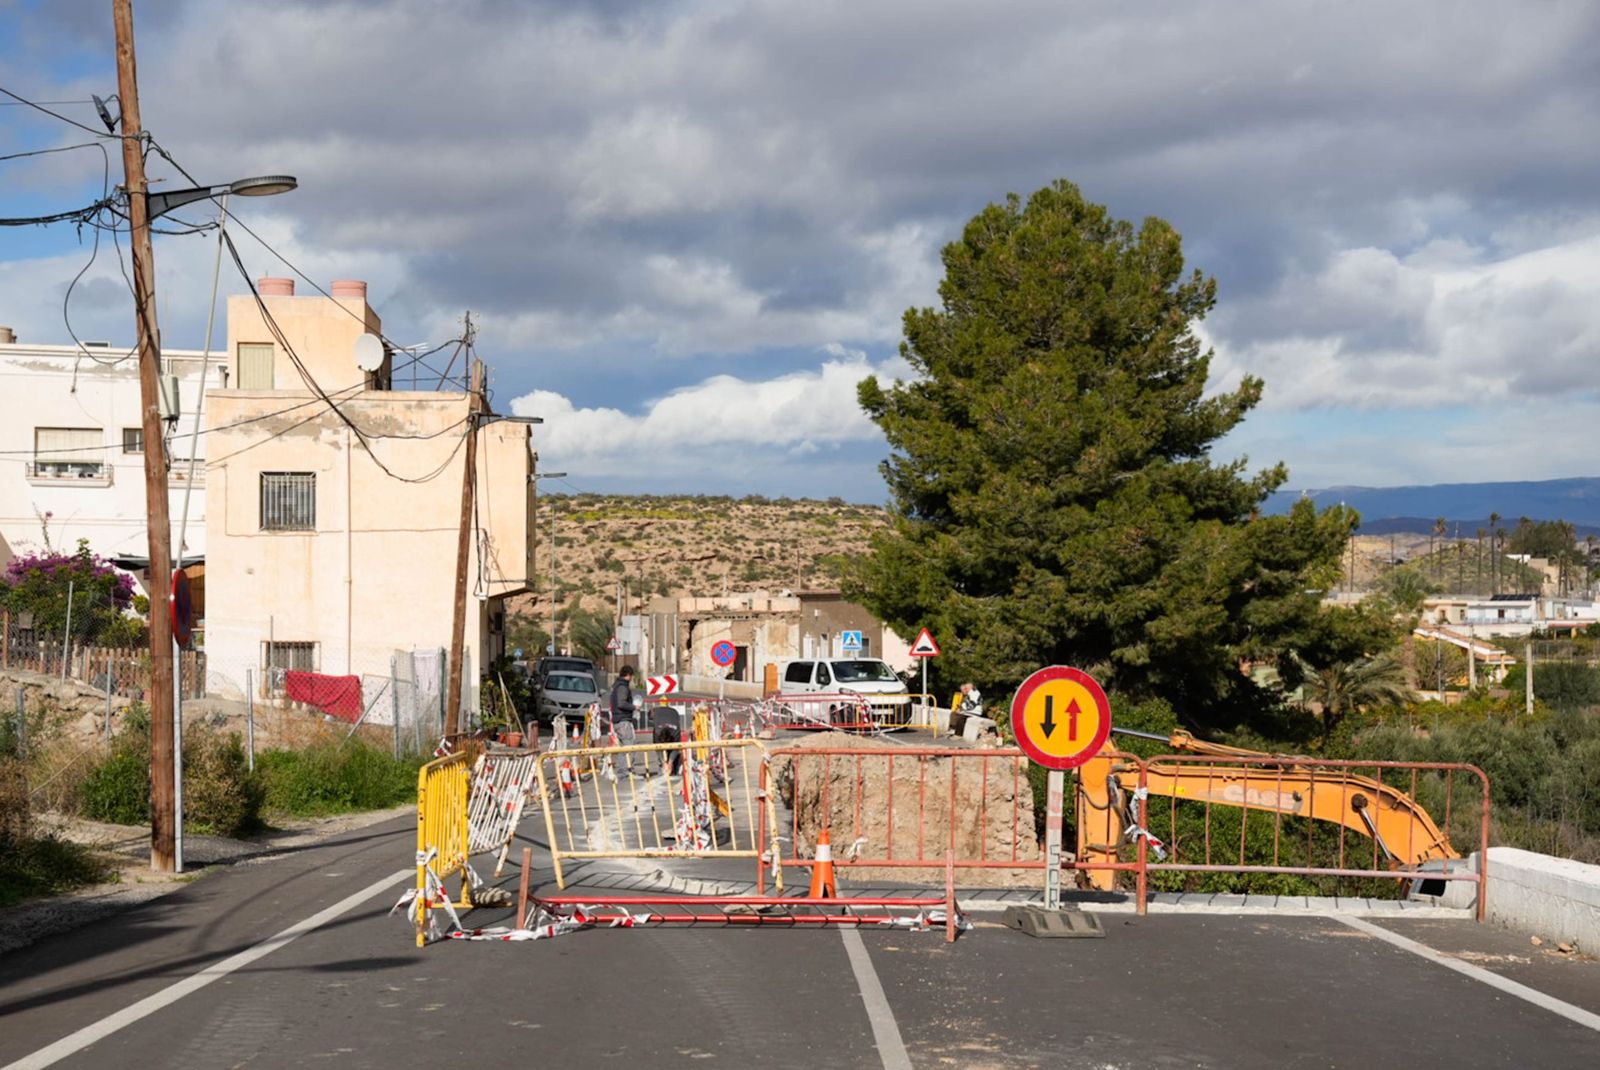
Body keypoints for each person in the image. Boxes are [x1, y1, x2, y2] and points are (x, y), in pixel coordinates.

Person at [609, 666, 639, 769]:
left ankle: (623, 771)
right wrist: (634, 707)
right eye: (631, 676)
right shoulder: (623, 687)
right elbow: (621, 703)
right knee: (629, 747)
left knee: (624, 748)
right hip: (623, 720)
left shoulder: (617, 685)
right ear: (629, 675)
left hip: (618, 720)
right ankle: (627, 772)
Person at [652, 702, 683, 776]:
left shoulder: (675, 732)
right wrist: (663, 762)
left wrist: (670, 762)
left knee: (673, 754)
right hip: (661, 719)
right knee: (662, 759)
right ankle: (662, 769)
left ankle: (673, 770)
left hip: (672, 717)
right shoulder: (657, 732)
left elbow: (676, 748)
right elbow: (658, 749)